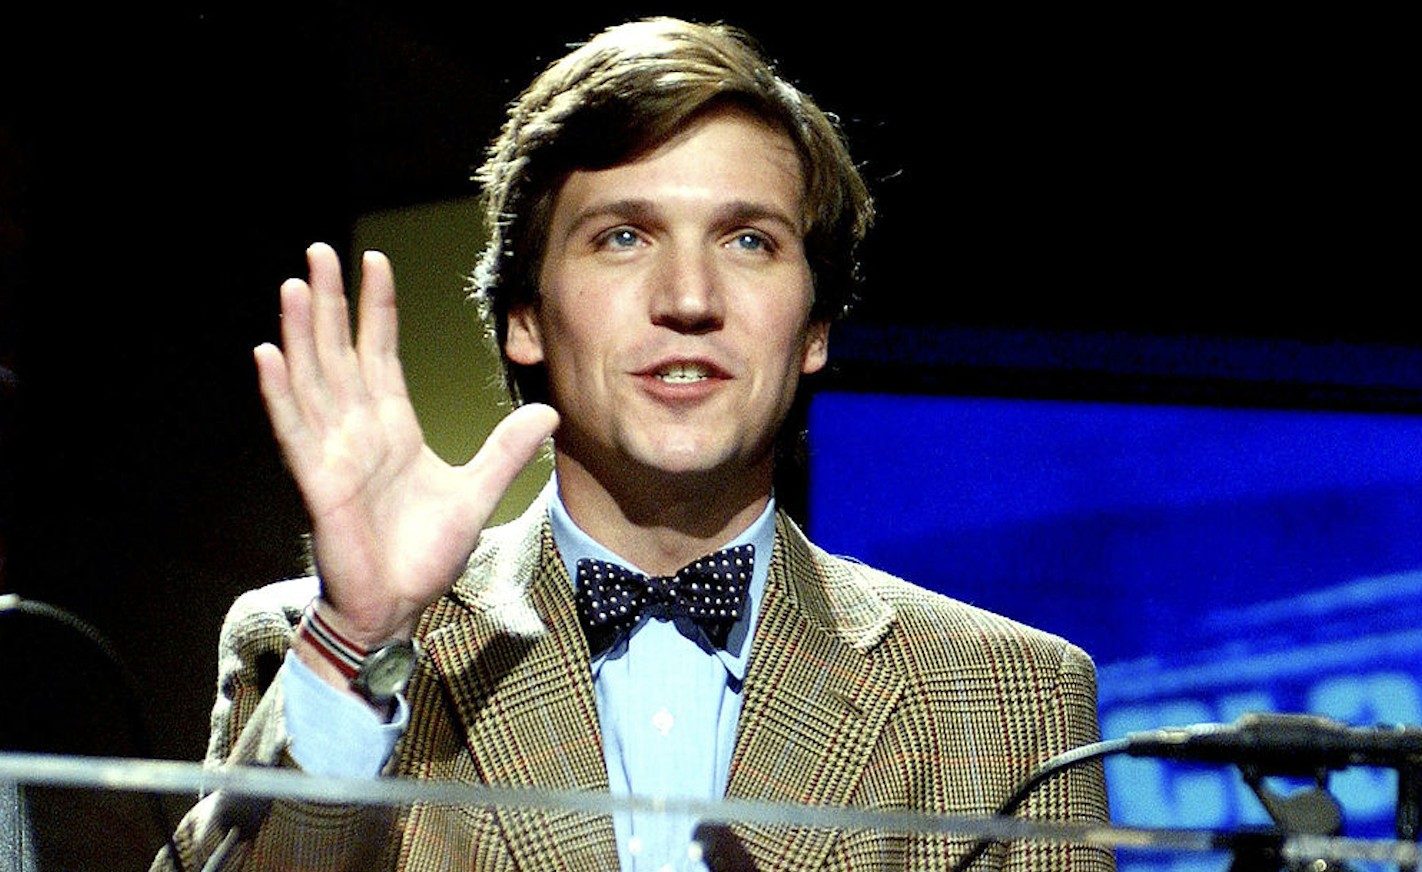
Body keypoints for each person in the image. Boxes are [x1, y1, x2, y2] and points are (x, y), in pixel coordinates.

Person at [157, 17, 1112, 872]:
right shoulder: (307, 647)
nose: (689, 300)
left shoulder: (1012, 699)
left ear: (815, 328)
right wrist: (360, 640)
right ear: (525, 317)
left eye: (749, 241)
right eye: (623, 237)